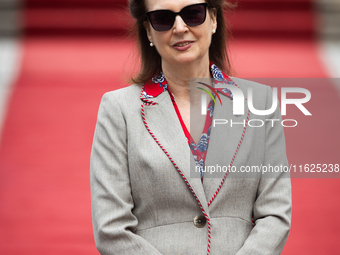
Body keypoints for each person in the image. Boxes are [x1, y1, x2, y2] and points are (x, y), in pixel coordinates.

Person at [90, 0, 292, 254]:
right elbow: (111, 229)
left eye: (193, 14)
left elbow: (275, 213)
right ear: (149, 31)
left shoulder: (260, 102)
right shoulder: (119, 108)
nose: (180, 27)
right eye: (163, 18)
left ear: (214, 19)